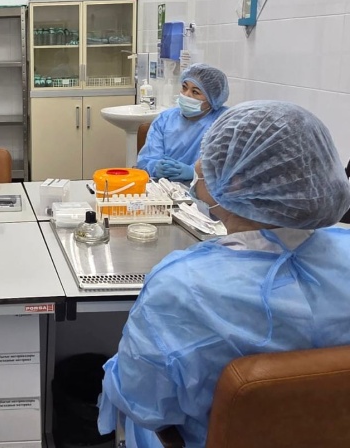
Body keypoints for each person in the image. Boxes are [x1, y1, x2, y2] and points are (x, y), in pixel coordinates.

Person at [98, 101, 350, 448]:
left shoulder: (182, 287)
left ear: (237, 182)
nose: (198, 165)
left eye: (208, 155)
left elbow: (143, 402)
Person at [136, 63, 229, 182]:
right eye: (184, 87)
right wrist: (155, 167)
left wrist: (194, 172)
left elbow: (225, 166)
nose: (186, 94)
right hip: (163, 186)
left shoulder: (223, 122)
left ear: (212, 99)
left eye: (195, 92)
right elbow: (146, 160)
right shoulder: (165, 119)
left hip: (204, 189)